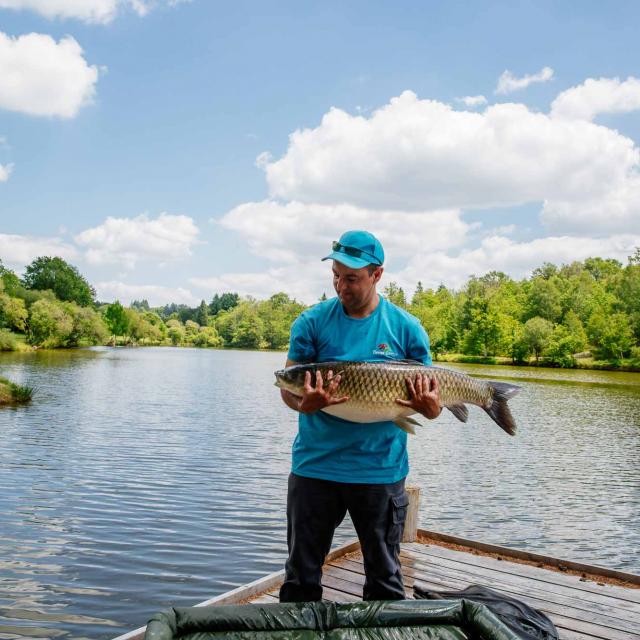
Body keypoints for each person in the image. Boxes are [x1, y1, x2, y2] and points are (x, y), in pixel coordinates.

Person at [278, 230, 441, 603]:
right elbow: (289, 391)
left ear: (377, 274)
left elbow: (430, 400)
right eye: (335, 275)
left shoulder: (406, 328)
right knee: (300, 580)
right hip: (315, 469)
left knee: (385, 582)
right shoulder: (311, 322)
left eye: (351, 278)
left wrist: (431, 409)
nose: (340, 285)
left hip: (380, 471)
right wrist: (304, 403)